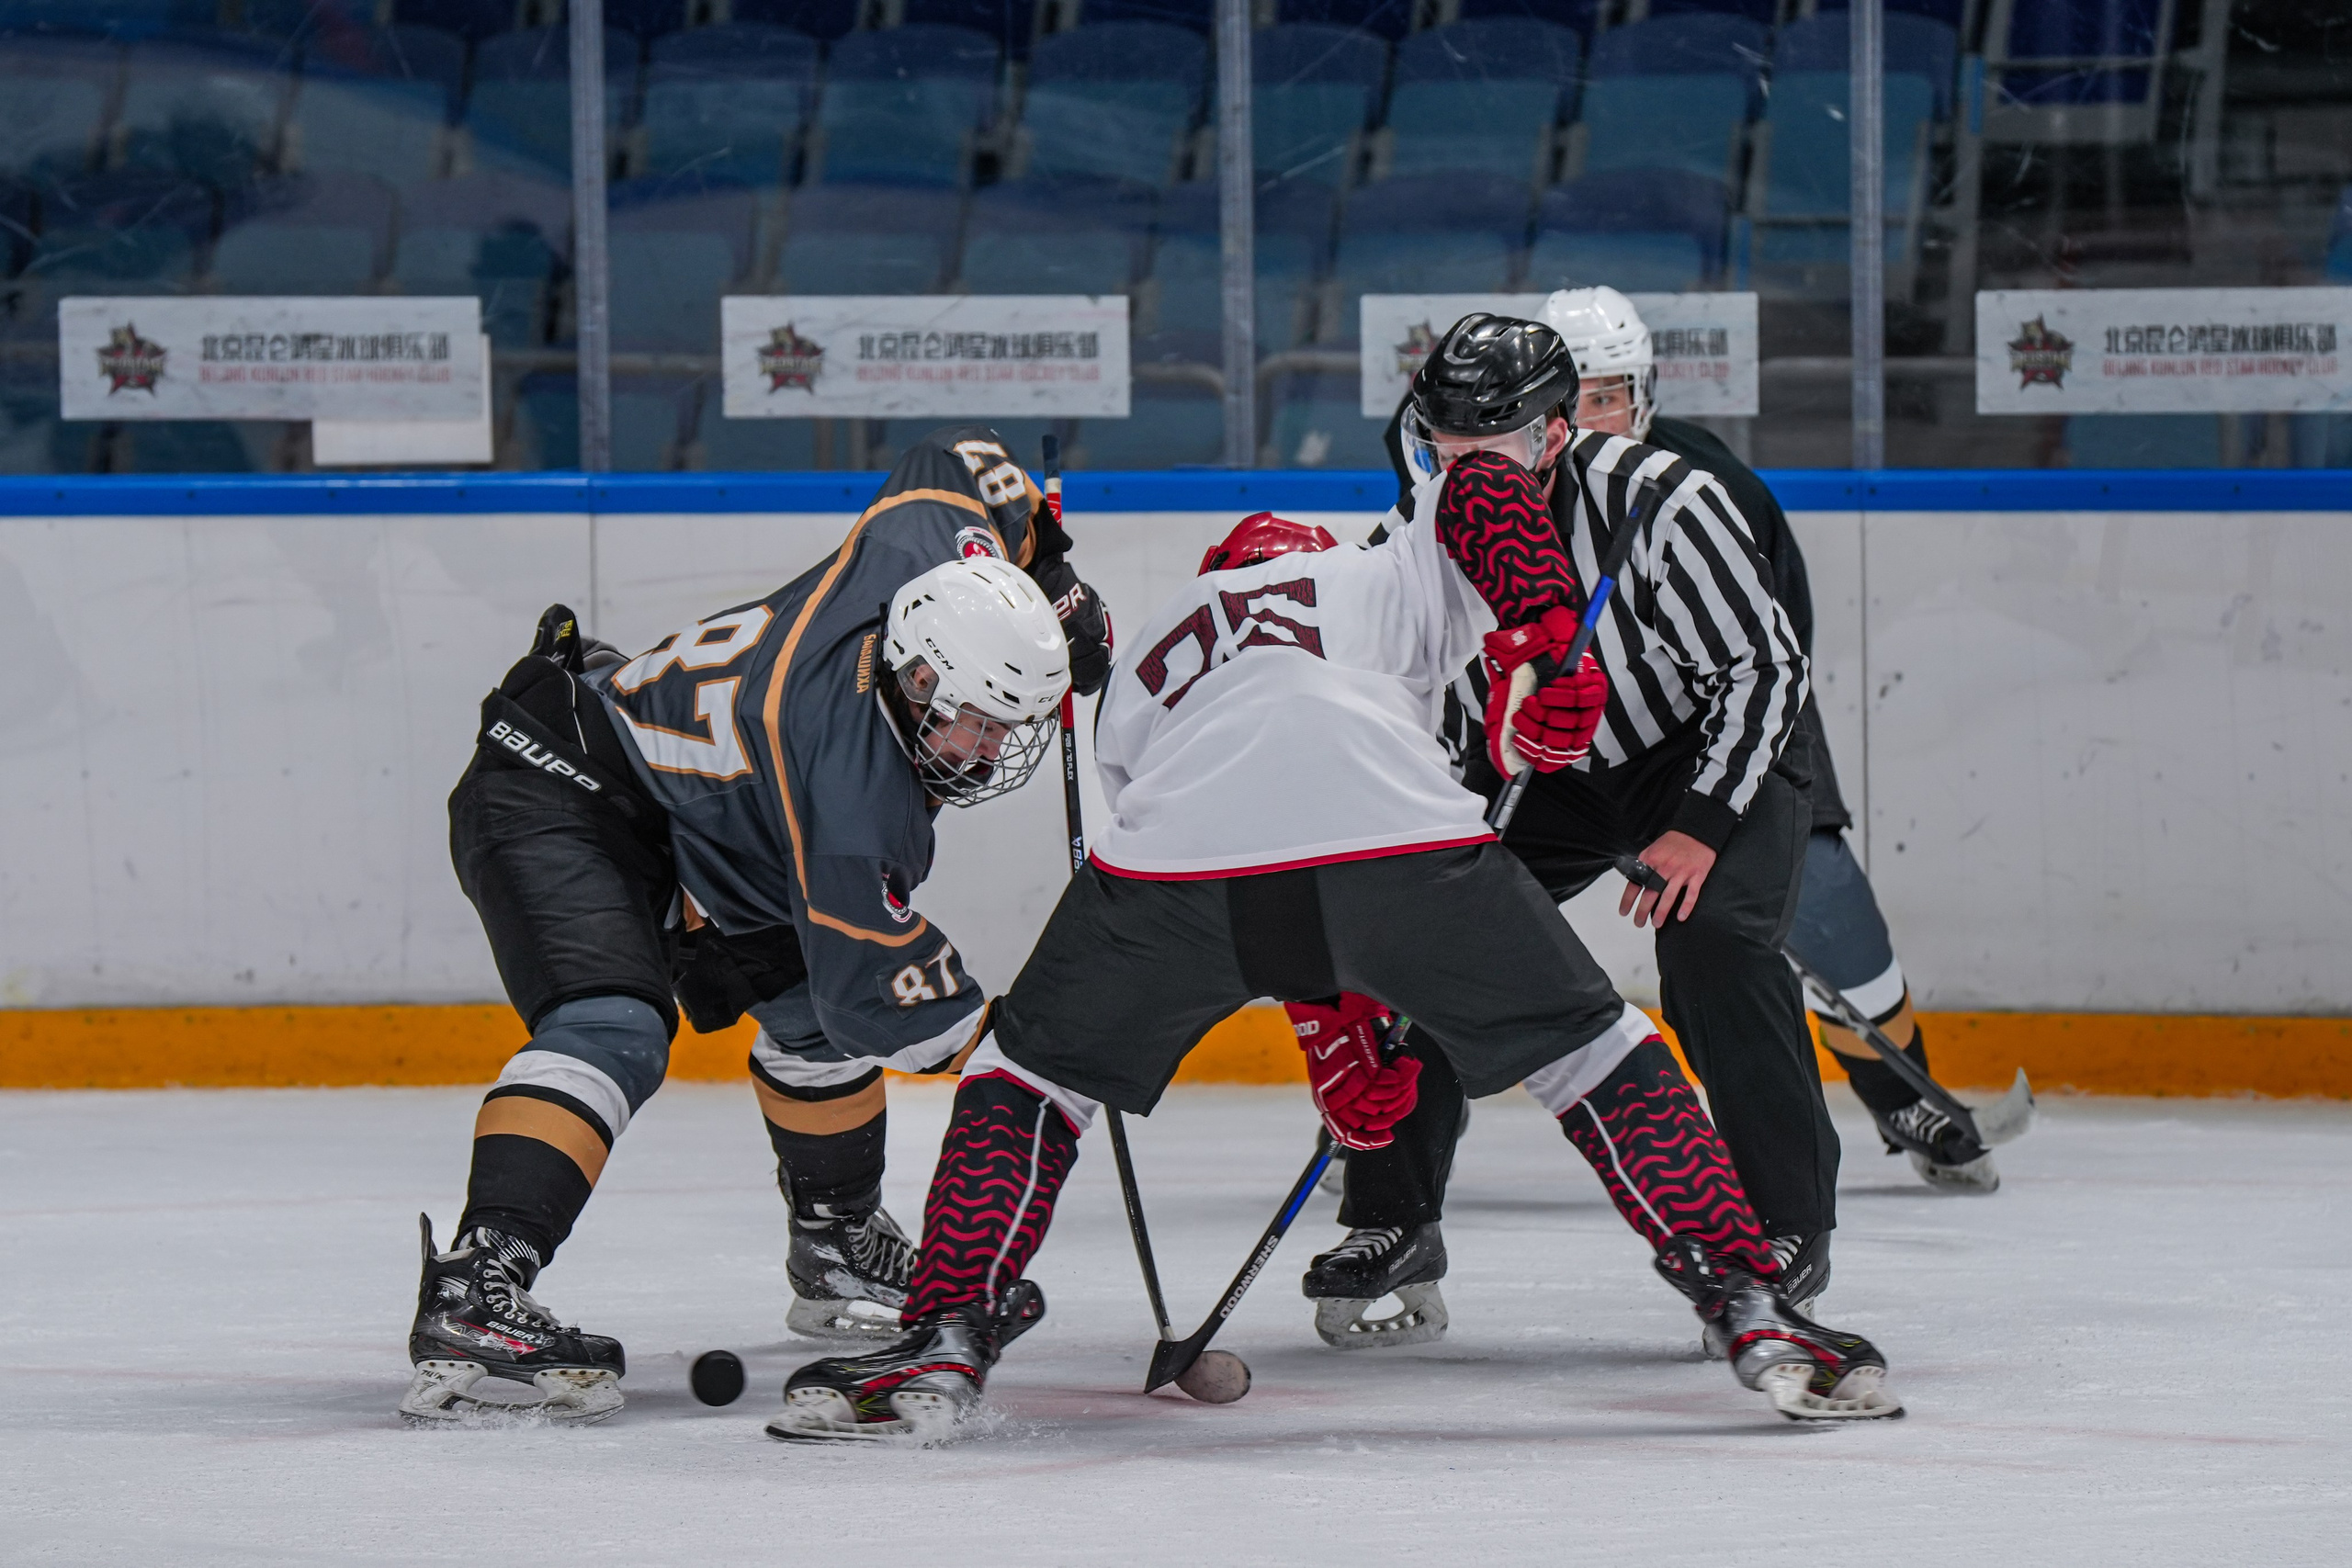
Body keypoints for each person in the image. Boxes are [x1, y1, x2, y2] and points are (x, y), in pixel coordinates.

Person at [769, 401, 1905, 1442]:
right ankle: (1751, 1301)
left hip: (1179, 854)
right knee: (1594, 1055)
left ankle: (946, 1331)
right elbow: (1481, 490)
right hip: (1396, 834)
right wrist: (1539, 639)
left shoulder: (1165, 638)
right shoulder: (1376, 570)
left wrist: (1329, 1028)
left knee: (1024, 1077)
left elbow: (1250, 865)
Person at [400, 426, 1112, 1426]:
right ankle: (479, 1282)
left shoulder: (913, 565)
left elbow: (957, 457)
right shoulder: (856, 800)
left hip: (713, 816)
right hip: (562, 779)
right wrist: (1051, 1050)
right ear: (914, 679)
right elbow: (889, 998)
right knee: (614, 1026)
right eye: (976, 722)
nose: (990, 754)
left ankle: (836, 1240)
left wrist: (1054, 572)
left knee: (806, 1018)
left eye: (1008, 728)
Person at [1326, 290, 1994, 1352]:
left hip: (1704, 752)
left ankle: (1784, 1225)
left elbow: (1764, 667)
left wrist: (1696, 824)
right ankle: (1392, 1217)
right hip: (1541, 773)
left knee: (1715, 943)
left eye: (1485, 443)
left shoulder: (1666, 499)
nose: (1459, 468)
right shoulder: (1411, 533)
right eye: (1441, 443)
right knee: (1426, 945)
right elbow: (1402, 697)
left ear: (1552, 433)